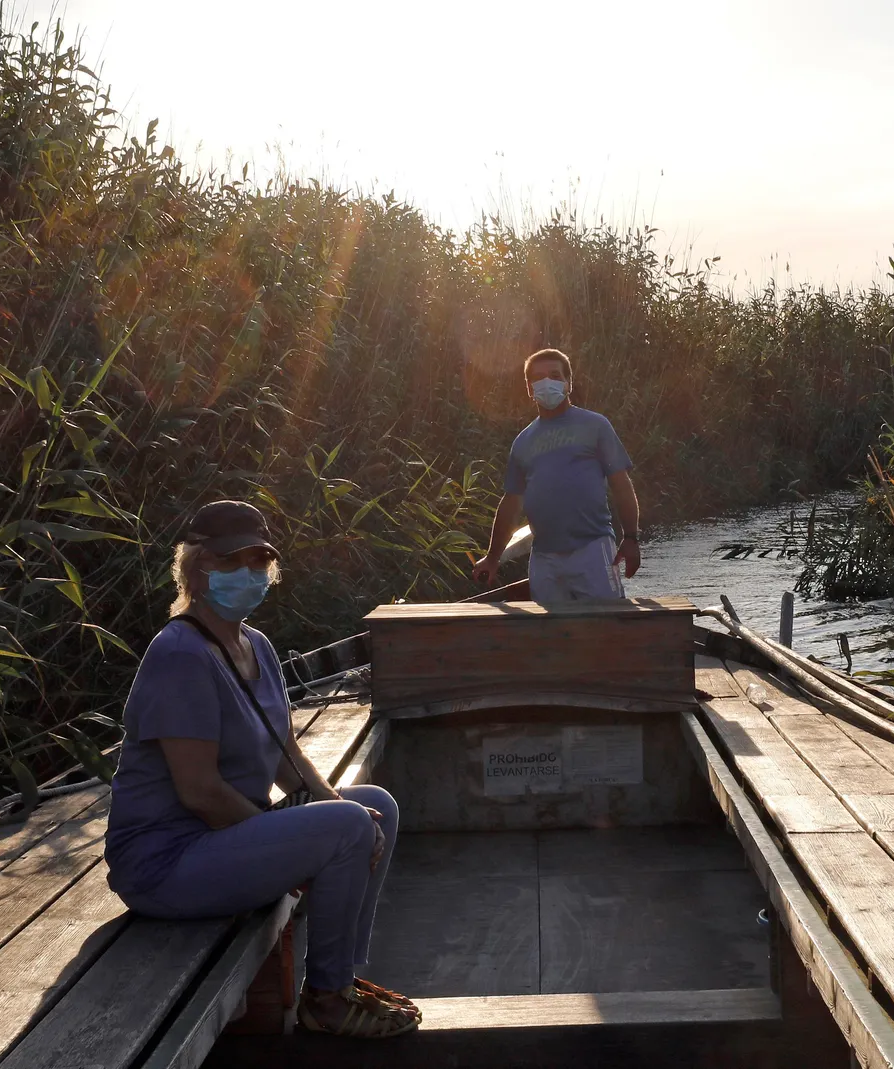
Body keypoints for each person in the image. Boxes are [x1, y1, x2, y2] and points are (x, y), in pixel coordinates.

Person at [104, 500, 418, 1038]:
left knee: (374, 809)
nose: (247, 575)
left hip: (221, 841)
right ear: (196, 571)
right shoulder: (179, 654)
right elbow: (200, 792)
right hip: (166, 864)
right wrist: (293, 844)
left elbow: (287, 757)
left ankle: (341, 974)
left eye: (257, 563)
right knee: (345, 828)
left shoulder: (257, 646)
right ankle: (325, 999)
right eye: (231, 563)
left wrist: (338, 813)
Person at [471, 348, 641, 601]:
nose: (546, 382)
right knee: (550, 636)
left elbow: (621, 485)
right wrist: (493, 557)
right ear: (529, 388)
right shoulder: (523, 441)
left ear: (568, 383)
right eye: (538, 378)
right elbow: (511, 502)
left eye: (554, 374)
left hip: (593, 549)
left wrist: (631, 538)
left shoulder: (595, 426)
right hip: (544, 558)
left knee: (607, 631)